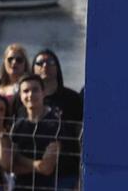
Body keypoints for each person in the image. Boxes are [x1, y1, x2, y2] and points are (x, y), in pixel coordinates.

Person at [6, 76, 66, 191]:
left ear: (43, 93)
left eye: (35, 90)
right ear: (20, 96)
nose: (30, 95)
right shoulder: (17, 126)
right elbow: (10, 165)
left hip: (49, 186)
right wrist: (36, 164)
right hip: (20, 187)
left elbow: (47, 168)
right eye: (25, 91)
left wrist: (20, 159)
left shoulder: (55, 124)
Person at [30, 50, 81, 185]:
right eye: (40, 63)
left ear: (57, 67)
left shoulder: (73, 99)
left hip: (66, 172)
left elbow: (80, 134)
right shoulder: (25, 99)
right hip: (31, 173)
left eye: (50, 62)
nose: (45, 66)